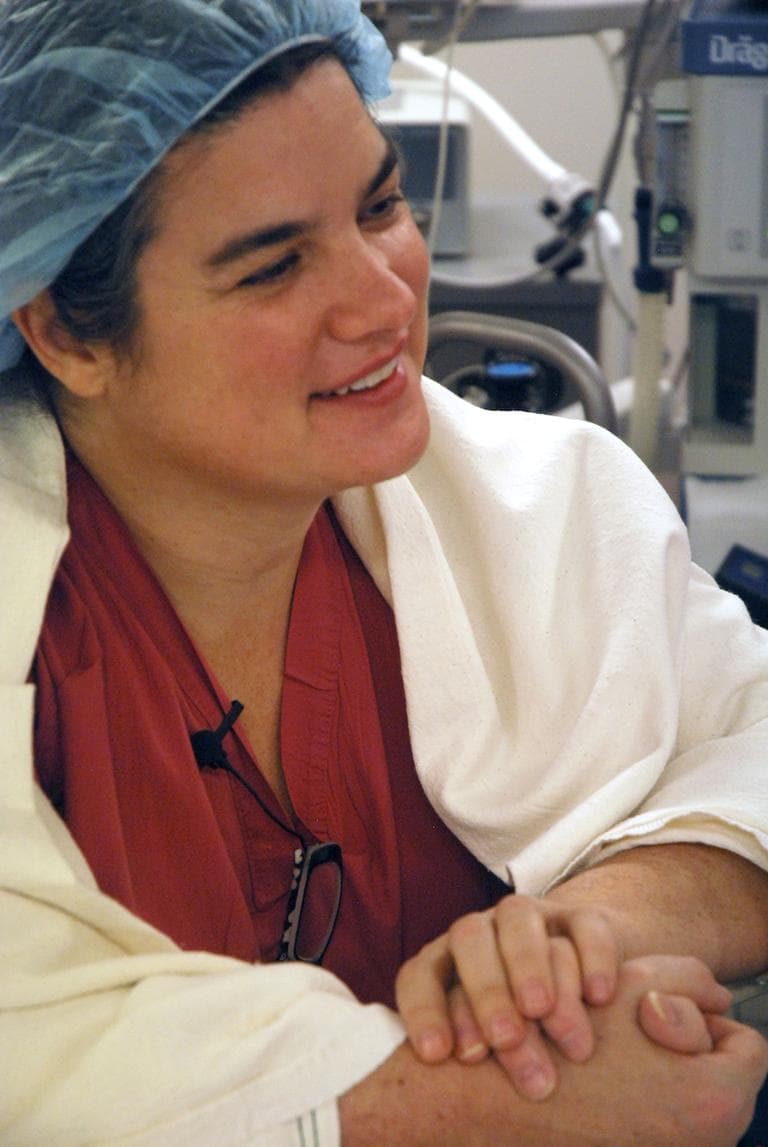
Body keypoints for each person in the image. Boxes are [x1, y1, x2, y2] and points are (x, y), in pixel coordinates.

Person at [1, 1, 768, 1143]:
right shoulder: (33, 617)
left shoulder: (539, 506)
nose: (383, 298)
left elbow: (748, 746)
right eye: (271, 267)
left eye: (382, 205)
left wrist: (574, 940)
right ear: (66, 329)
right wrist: (453, 1104)